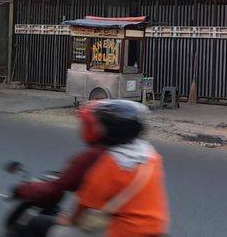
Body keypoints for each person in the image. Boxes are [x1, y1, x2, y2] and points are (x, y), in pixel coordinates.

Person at [24, 100, 169, 237]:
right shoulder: (152, 156)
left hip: (123, 231)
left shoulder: (110, 164)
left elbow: (83, 206)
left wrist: (66, 220)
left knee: (39, 224)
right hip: (155, 228)